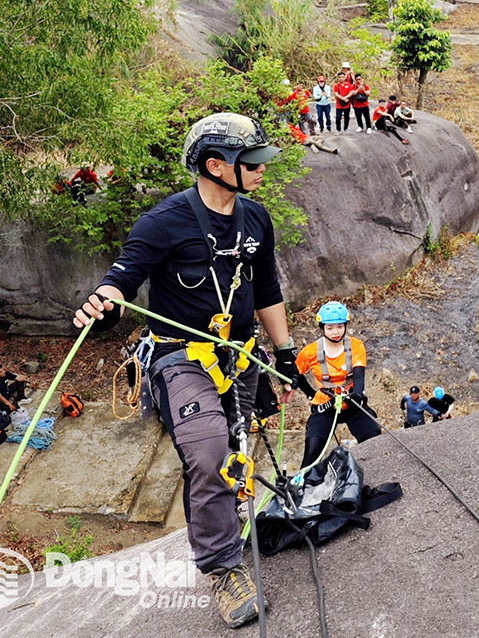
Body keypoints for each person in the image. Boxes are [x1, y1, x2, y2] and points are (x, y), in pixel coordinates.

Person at [72, 113, 298, 629]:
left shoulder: (256, 219)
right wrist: (103, 303)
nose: (262, 170)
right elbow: (122, 279)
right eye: (252, 162)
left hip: (240, 355)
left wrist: (283, 354)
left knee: (238, 450)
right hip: (180, 357)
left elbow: (266, 292)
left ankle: (226, 518)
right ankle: (222, 568)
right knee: (210, 452)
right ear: (216, 166)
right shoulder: (164, 222)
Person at [293, 301, 380, 467]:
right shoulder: (310, 352)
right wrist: (310, 393)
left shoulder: (355, 346)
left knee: (373, 437)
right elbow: (296, 373)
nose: (335, 332)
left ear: (345, 325)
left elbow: (359, 373)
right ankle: (305, 482)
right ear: (322, 328)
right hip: (325, 404)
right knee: (313, 448)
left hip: (351, 401)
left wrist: (358, 393)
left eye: (340, 326)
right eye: (330, 328)